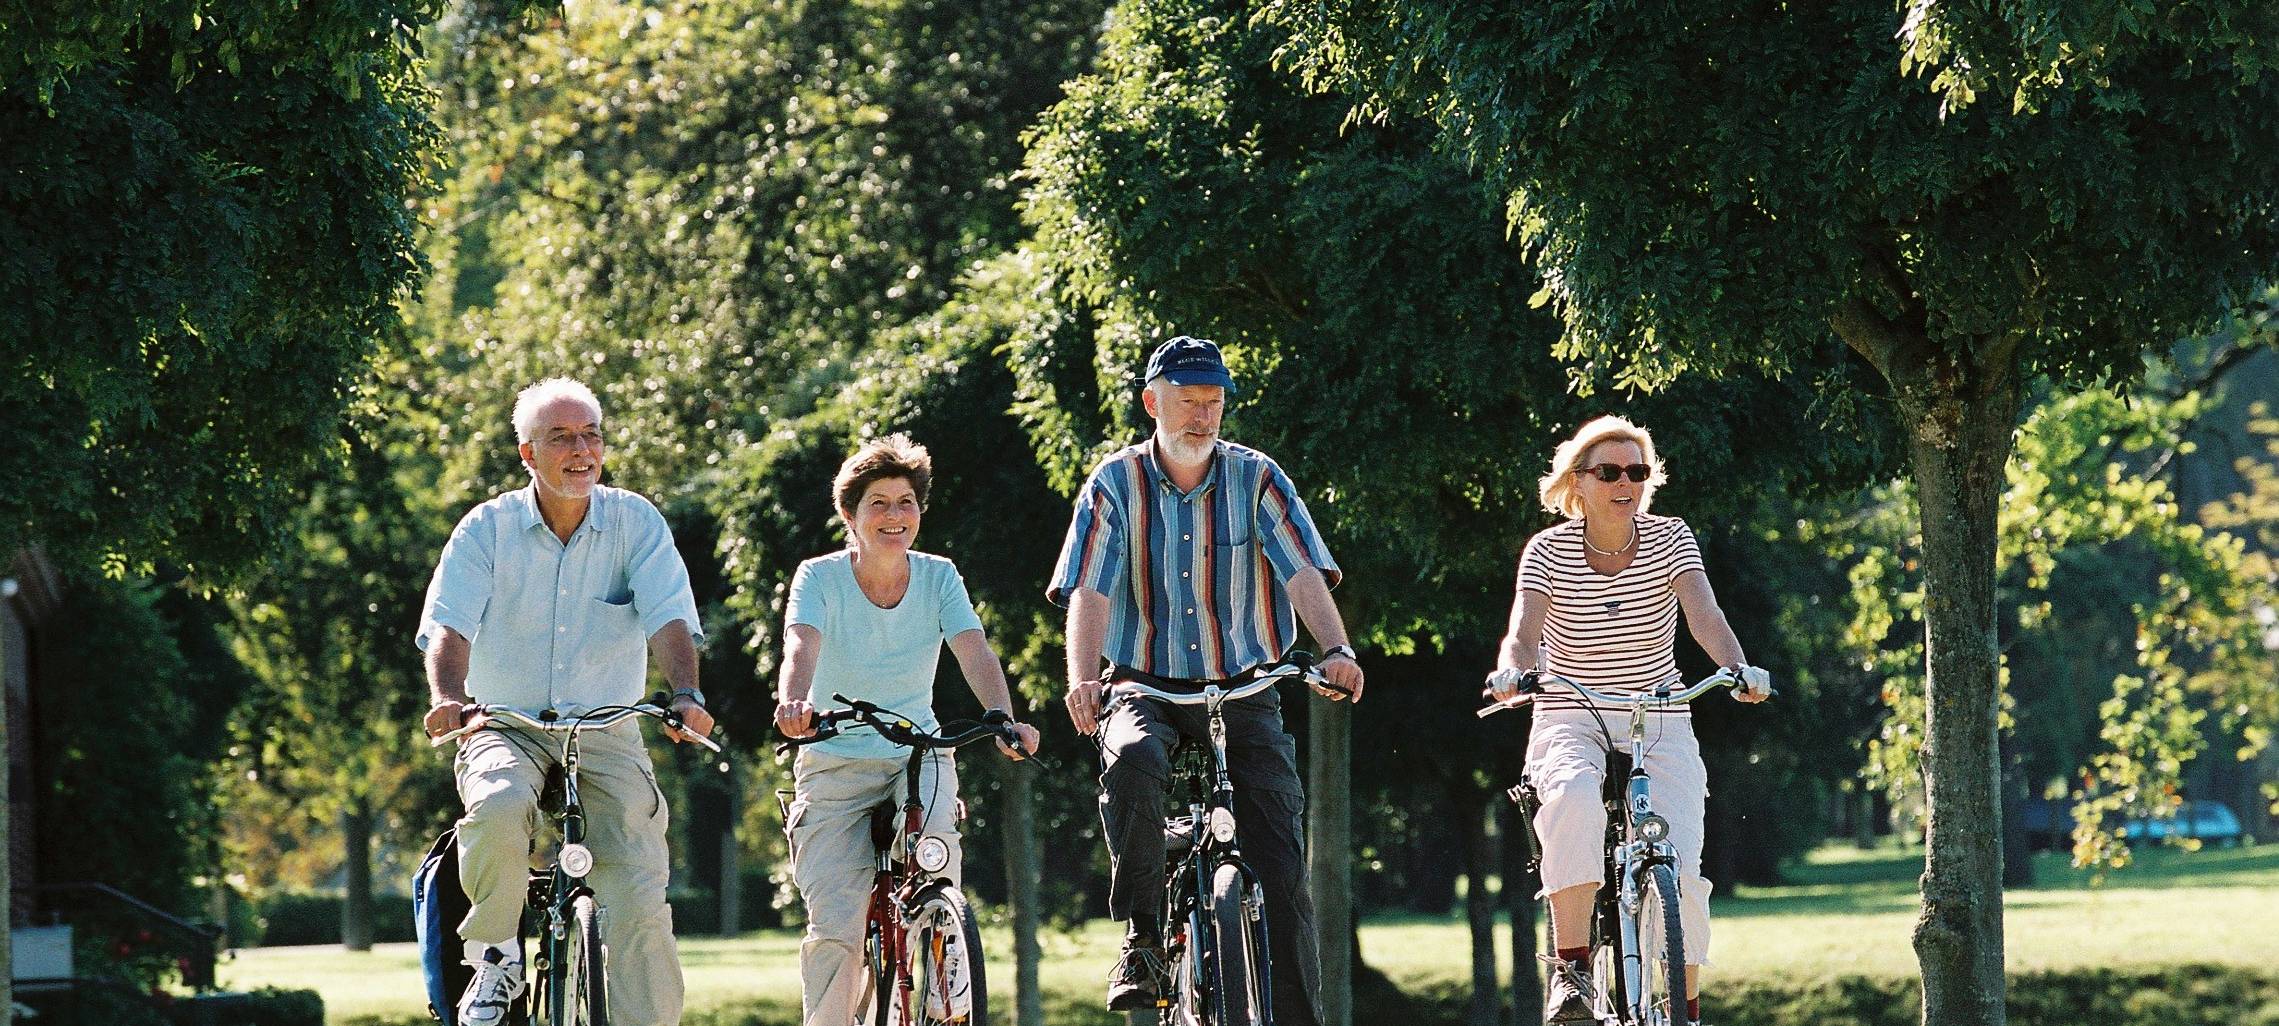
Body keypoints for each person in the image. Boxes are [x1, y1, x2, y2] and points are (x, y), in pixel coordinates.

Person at [1049, 335, 1366, 1023]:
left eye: (1214, 402)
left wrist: (1336, 647)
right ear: (1151, 403)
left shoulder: (1258, 477)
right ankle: (1142, 940)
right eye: (1188, 401)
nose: (1202, 416)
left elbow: (1302, 571)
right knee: (1131, 760)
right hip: (1145, 685)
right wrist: (1083, 678)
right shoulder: (1114, 483)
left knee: (1281, 864)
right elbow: (1089, 590)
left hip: (1245, 688)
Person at [416, 378, 714, 1026]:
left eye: (590, 435)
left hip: (606, 728)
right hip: (505, 724)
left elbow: (668, 617)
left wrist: (686, 693)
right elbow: (449, 627)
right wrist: (449, 698)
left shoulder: (635, 522)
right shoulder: (486, 529)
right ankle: (496, 960)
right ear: (528, 454)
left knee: (638, 892)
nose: (580, 450)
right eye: (561, 438)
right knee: (497, 807)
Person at [1484, 414, 1772, 1026]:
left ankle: (1686, 1009)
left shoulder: (1672, 538)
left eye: (1637, 472)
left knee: (1681, 859)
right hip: (1571, 709)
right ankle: (1571, 973)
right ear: (1578, 482)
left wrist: (1738, 668)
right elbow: (1523, 632)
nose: (1625, 483)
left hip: (1657, 708)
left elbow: (1704, 615)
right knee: (1571, 800)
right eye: (1609, 472)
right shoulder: (1547, 550)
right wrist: (1512, 672)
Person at [775, 434, 1043, 1026]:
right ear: (850, 515)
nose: (894, 515)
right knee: (838, 925)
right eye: (878, 503)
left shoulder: (939, 577)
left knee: (938, 857)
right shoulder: (818, 578)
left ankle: (945, 989)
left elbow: (973, 650)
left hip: (917, 754)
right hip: (834, 758)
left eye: (906, 502)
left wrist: (1003, 718)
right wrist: (793, 703)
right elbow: (801, 644)